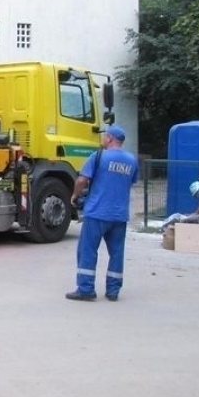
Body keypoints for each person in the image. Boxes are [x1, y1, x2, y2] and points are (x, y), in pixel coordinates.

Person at [65, 125, 139, 302]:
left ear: (110, 138)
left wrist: (75, 195)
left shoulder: (98, 156)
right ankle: (113, 291)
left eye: (104, 136)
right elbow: (132, 181)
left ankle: (86, 289)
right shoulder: (132, 160)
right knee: (117, 253)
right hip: (119, 215)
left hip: (97, 212)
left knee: (88, 251)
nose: (102, 139)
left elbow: (82, 179)